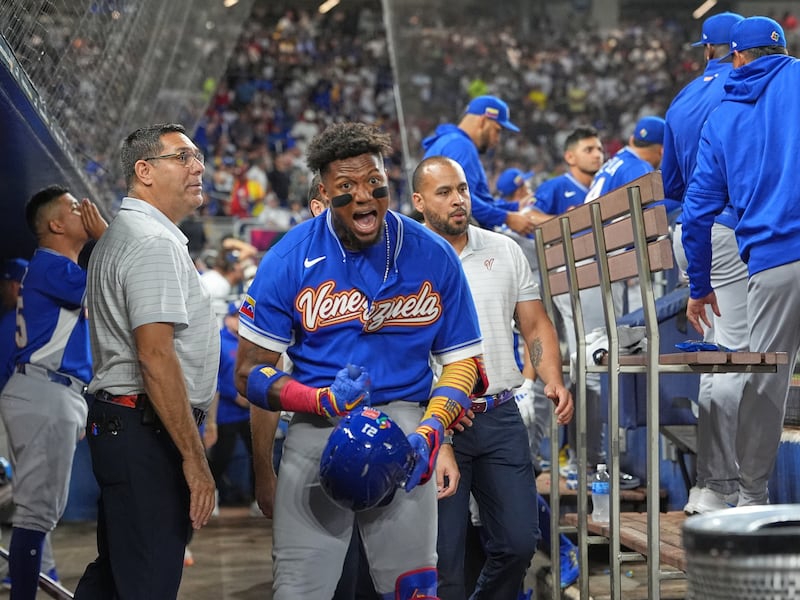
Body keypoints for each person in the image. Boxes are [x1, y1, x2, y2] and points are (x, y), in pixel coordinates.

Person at [234, 121, 487, 599]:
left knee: (413, 588)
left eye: (374, 183)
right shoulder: (290, 256)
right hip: (316, 422)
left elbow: (462, 363)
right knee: (298, 590)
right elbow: (249, 372)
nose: (363, 198)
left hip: (406, 425)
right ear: (324, 193)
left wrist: (433, 430)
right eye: (345, 188)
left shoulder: (432, 254)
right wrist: (319, 398)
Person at [412, 155, 574, 599]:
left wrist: (552, 378)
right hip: (438, 419)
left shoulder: (503, 250)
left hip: (499, 414)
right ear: (419, 202)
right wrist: (434, 427)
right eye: (444, 193)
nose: (458, 200)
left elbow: (535, 324)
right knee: (443, 557)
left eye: (462, 189)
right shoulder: (406, 260)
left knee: (519, 543)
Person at [74, 123, 219, 599]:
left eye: (198, 156)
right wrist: (195, 460)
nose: (198, 166)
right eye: (183, 157)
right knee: (147, 582)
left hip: (129, 425)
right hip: (144, 428)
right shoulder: (152, 243)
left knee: (118, 577)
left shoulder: (135, 233)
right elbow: (155, 357)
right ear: (145, 171)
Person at [682, 16, 799, 507]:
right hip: (777, 257)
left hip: (774, 265)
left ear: (736, 56)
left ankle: (751, 497)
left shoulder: (722, 114)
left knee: (764, 382)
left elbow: (697, 211)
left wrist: (698, 286)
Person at [0, 186, 105, 600]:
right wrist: (109, 237)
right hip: (45, 389)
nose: (86, 210)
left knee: (32, 510)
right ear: (56, 224)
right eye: (75, 207)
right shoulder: (49, 263)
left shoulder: (50, 267)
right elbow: (106, 288)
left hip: (46, 389)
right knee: (35, 513)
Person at [661, 11, 747, 514]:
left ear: (709, 49)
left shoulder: (684, 96)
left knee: (719, 361)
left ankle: (712, 486)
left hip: (690, 233)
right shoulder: (747, 84)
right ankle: (719, 487)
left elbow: (672, 185)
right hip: (727, 229)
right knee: (735, 359)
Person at [421, 95, 542, 237]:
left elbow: (479, 200)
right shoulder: (460, 146)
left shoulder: (452, 141)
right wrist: (507, 218)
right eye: (497, 130)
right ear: (483, 121)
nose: (497, 139)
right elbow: (462, 201)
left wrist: (514, 207)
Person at [206, 301, 255, 507]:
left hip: (247, 412)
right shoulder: (219, 341)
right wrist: (233, 394)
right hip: (226, 411)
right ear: (228, 318)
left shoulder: (248, 342)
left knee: (257, 455)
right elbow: (213, 377)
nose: (239, 320)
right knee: (221, 457)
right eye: (236, 316)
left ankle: (257, 498)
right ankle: (210, 496)